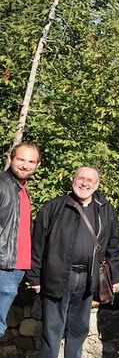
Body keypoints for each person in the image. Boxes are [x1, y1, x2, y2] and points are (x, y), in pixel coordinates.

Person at [30, 166, 119, 358]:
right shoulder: (54, 207)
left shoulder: (106, 209)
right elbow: (37, 244)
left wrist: (115, 277)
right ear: (73, 179)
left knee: (79, 328)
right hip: (56, 276)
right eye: (81, 178)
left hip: (89, 277)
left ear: (97, 184)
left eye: (90, 180)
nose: (84, 183)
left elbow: (113, 246)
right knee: (52, 329)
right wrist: (35, 277)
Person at [0, 142, 41, 337]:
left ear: (38, 165)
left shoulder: (22, 189)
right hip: (3, 265)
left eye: (31, 162)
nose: (25, 165)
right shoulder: (2, 184)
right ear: (10, 158)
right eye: (21, 160)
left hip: (15, 267)